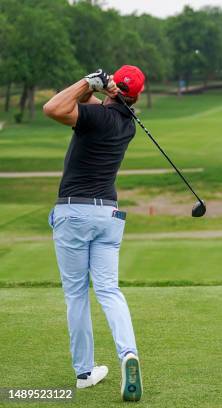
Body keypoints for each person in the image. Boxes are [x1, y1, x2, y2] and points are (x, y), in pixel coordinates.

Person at [43, 66, 146, 402]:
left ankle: (85, 372)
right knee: (108, 289)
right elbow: (84, 108)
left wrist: (89, 82)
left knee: (76, 293)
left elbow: (54, 108)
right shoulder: (127, 124)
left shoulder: (96, 119)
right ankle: (128, 354)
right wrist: (104, 92)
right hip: (108, 217)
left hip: (74, 213)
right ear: (138, 95)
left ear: (117, 87)